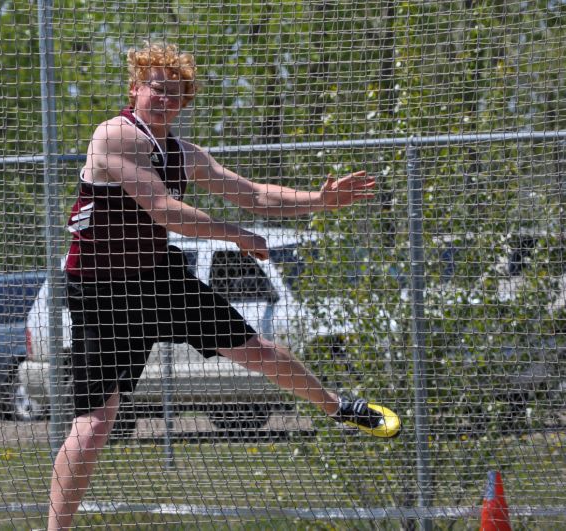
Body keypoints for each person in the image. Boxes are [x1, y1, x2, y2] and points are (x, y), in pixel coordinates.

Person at [48, 42, 401, 529]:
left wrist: (319, 201)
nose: (166, 98)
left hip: (156, 276)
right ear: (134, 89)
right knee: (93, 428)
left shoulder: (184, 154)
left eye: (176, 93)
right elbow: (165, 211)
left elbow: (253, 194)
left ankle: (339, 408)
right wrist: (236, 235)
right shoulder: (115, 136)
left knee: (257, 348)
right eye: (157, 87)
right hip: (102, 291)